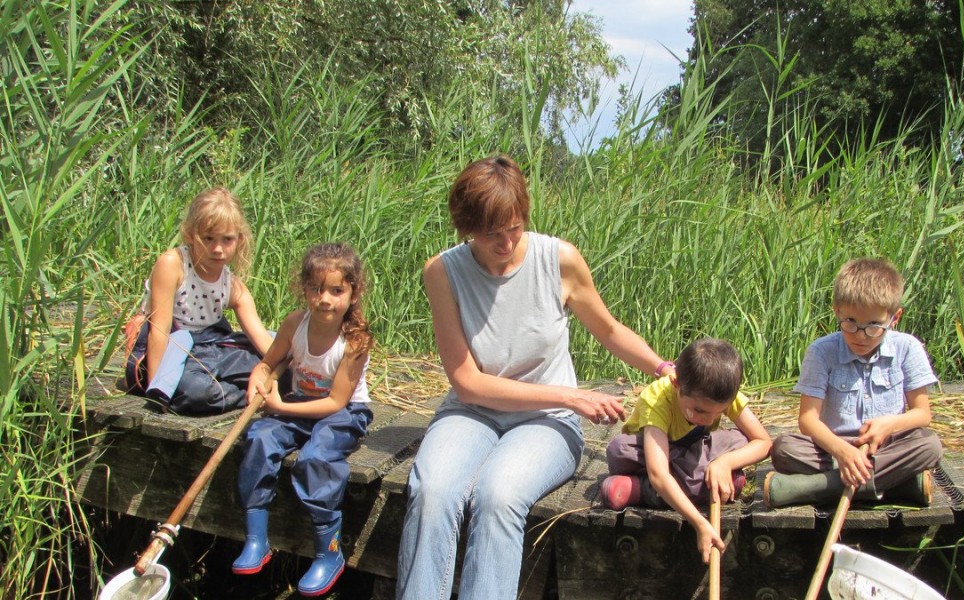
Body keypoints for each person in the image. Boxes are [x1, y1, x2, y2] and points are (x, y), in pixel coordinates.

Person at [396, 155, 674, 600]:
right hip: (472, 411)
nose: (506, 242)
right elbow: (467, 382)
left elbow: (609, 330)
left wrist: (663, 368)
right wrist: (572, 396)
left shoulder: (558, 259)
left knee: (498, 495)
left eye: (514, 227)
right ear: (467, 227)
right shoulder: (443, 272)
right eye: (492, 233)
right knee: (432, 491)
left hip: (546, 422)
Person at [232, 243, 374, 597]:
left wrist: (280, 407)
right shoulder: (295, 323)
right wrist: (258, 378)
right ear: (304, 289)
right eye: (316, 289)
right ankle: (256, 538)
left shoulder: (355, 341)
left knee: (316, 457)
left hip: (343, 413)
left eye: (336, 291)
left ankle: (329, 553)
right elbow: (269, 362)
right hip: (298, 403)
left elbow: (336, 401)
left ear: (353, 292)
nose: (324, 299)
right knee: (259, 438)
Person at [765, 258, 942, 508]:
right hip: (832, 449)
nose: (860, 336)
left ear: (895, 317)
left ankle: (817, 487)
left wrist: (889, 425)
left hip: (885, 448)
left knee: (929, 445)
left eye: (873, 326)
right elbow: (807, 420)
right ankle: (894, 484)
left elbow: (922, 414)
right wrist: (842, 451)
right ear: (837, 311)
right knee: (783, 449)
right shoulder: (821, 352)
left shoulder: (907, 348)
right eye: (850, 323)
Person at [600, 337, 772, 564]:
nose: (708, 419)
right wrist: (700, 522)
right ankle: (674, 486)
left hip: (695, 451)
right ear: (676, 384)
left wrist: (725, 462)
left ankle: (640, 489)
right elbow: (658, 473)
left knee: (740, 440)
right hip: (653, 454)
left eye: (717, 412)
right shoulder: (657, 398)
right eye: (698, 411)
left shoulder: (721, 392)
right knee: (618, 451)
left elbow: (763, 441)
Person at [124, 187, 273, 414]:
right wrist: (158, 388)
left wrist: (275, 366)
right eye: (208, 238)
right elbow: (159, 331)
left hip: (213, 350)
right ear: (190, 235)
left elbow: (262, 339)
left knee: (279, 358)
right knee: (198, 392)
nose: (217, 249)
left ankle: (246, 389)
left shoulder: (233, 286)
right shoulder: (172, 264)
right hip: (173, 353)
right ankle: (245, 394)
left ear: (239, 240)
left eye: (227, 239)